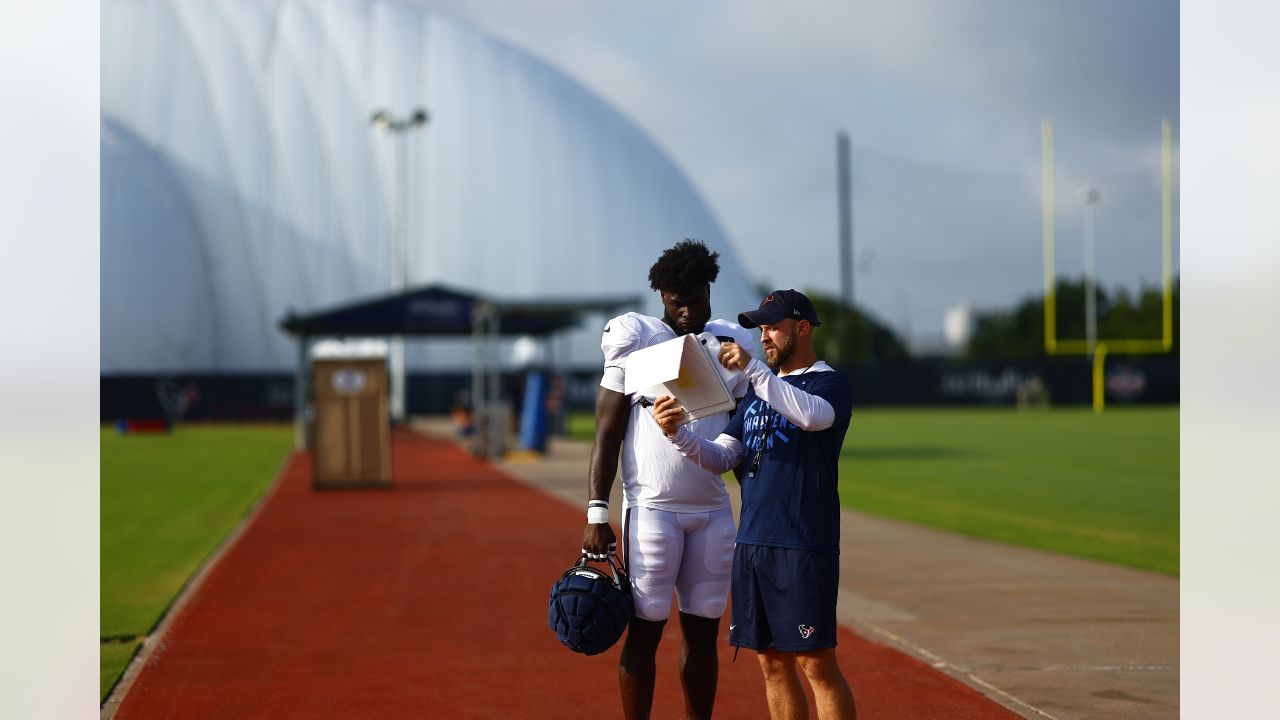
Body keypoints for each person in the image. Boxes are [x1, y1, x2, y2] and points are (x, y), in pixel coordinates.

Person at [652, 289, 858, 720]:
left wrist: (755, 373)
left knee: (816, 663)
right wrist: (678, 435)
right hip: (754, 543)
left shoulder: (828, 383)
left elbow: (813, 417)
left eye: (772, 326)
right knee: (771, 663)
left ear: (802, 328)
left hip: (802, 544)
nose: (763, 336)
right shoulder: (754, 395)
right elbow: (722, 457)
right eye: (760, 328)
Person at [581, 239, 756, 720]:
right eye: (678, 303)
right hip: (652, 510)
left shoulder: (727, 345)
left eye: (697, 300)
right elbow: (608, 430)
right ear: (661, 297)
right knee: (646, 632)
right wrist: (598, 511)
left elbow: (744, 437)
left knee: (703, 637)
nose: (688, 312)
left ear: (709, 292)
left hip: (712, 512)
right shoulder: (634, 337)